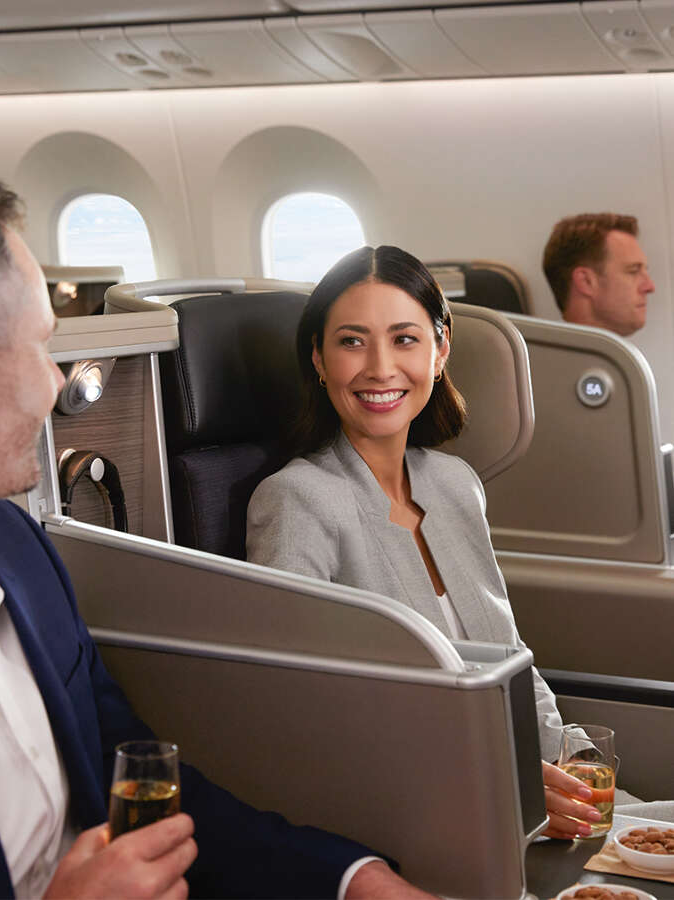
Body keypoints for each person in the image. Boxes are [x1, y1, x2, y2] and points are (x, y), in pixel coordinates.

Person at [0, 171, 433, 899]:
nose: (55, 383)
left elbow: (142, 787)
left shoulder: (18, 555)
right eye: (43, 348)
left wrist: (353, 880)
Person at [247, 244, 605, 841]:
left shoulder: (455, 484)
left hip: (533, 803)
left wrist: (579, 760)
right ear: (318, 358)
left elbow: (511, 660)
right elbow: (303, 717)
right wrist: (506, 788)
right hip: (421, 821)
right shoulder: (298, 501)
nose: (380, 367)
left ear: (441, 350)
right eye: (352, 341)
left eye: (405, 339)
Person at [542, 212, 654, 336]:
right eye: (633, 271)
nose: (649, 287)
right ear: (586, 281)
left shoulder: (619, 354)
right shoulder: (542, 355)